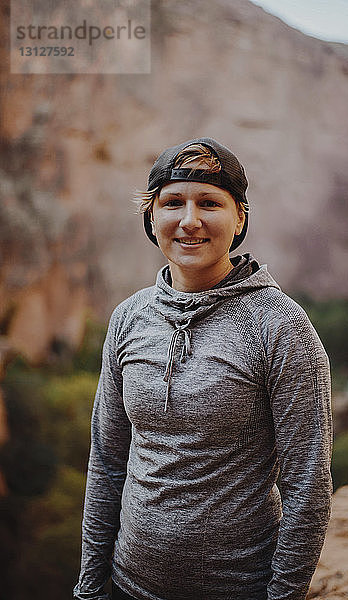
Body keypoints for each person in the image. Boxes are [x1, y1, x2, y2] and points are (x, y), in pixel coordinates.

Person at [73, 137, 333, 600]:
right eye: (173, 202)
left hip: (239, 590)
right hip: (129, 586)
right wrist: (91, 588)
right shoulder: (129, 318)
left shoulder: (281, 326)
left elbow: (307, 485)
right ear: (151, 217)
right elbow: (108, 463)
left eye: (209, 202)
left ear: (240, 218)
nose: (189, 220)